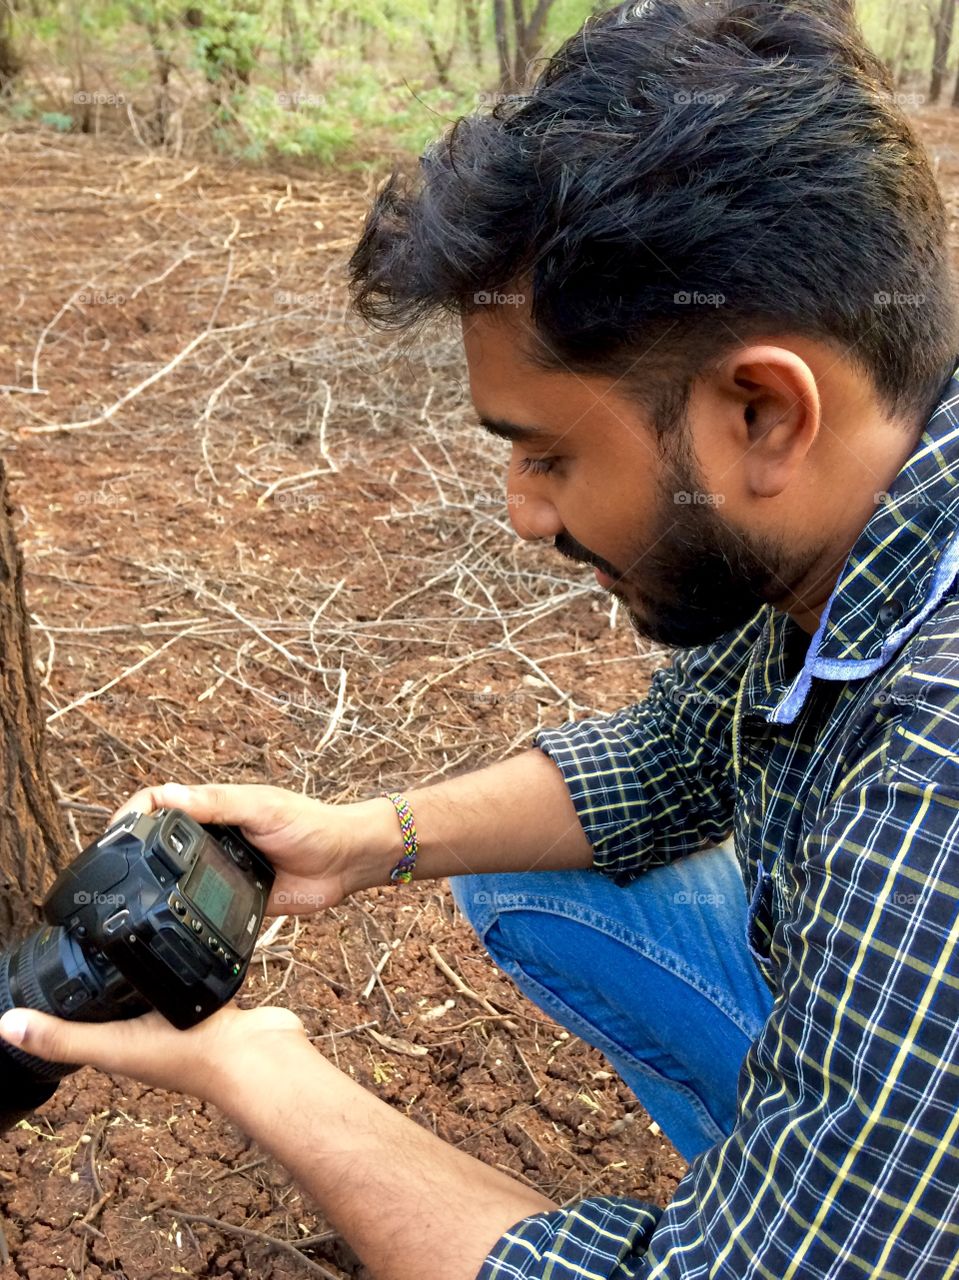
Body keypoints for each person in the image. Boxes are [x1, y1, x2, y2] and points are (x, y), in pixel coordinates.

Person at [3, 0, 959, 1276]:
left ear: (766, 414)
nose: (524, 515)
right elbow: (677, 752)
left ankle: (832, 1208)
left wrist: (264, 1073)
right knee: (504, 856)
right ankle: (830, 1172)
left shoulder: (932, 786)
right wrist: (364, 838)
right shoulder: (874, 515)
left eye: (550, 452)